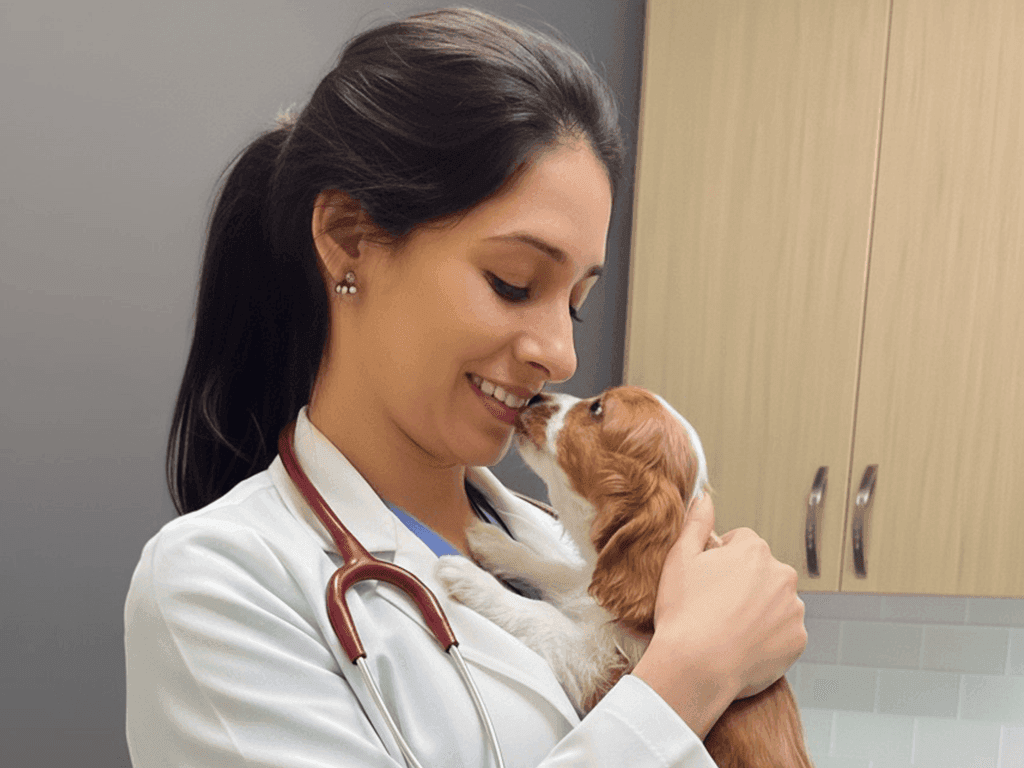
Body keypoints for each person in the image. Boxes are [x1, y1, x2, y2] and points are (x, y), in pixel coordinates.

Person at [124, 8, 806, 767]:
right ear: (349, 238)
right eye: (514, 283)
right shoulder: (218, 585)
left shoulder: (564, 551)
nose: (562, 353)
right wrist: (690, 679)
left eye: (576, 302)